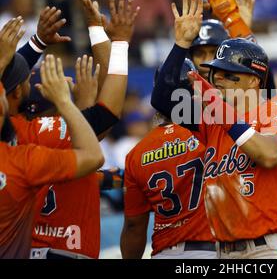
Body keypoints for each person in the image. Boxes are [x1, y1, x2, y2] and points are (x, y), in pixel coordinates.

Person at [152, 0, 277, 259]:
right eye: (215, 71)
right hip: (222, 252)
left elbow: (269, 155)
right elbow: (162, 99)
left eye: (227, 72)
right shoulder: (210, 120)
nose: (217, 77)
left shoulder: (273, 113)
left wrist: (217, 107)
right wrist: (180, 44)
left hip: (265, 249)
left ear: (255, 81)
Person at [0, 54, 104, 259]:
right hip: (64, 250)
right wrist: (72, 103)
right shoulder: (28, 154)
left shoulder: (20, 143)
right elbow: (104, 123)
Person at [121, 59, 216, 259]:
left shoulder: (136, 153)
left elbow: (134, 226)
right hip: (211, 250)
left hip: (164, 252)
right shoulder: (212, 131)